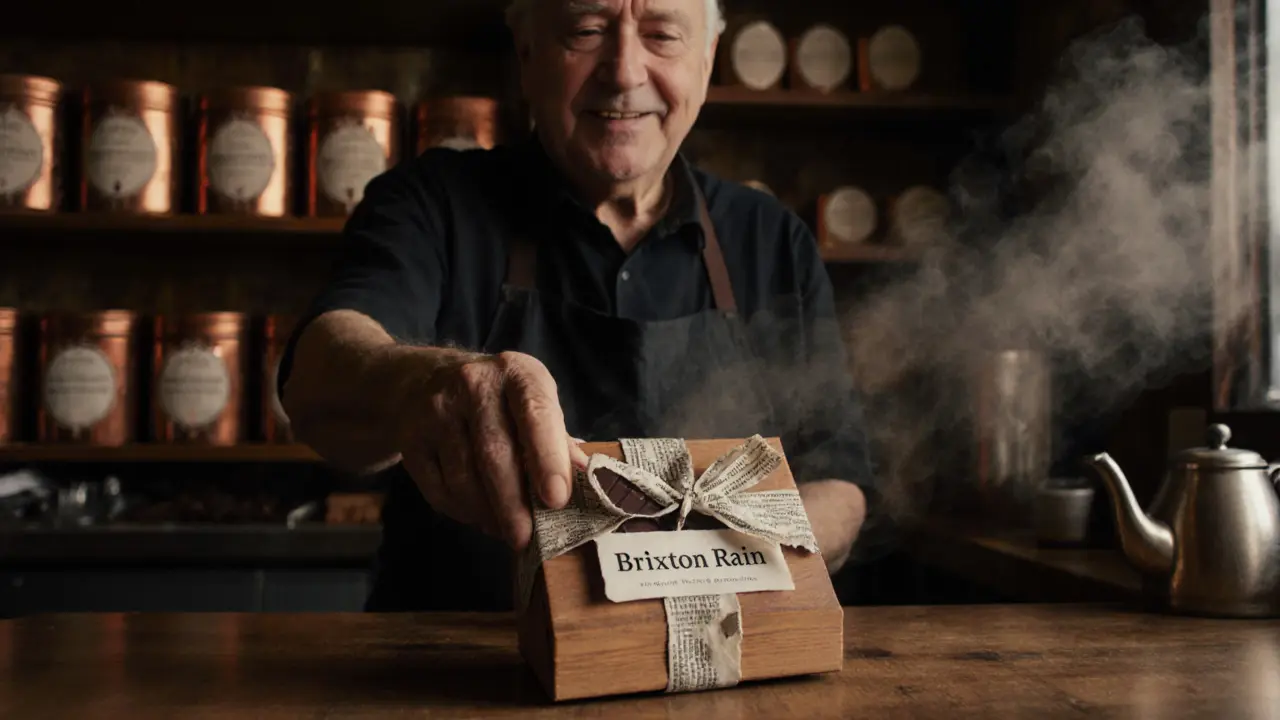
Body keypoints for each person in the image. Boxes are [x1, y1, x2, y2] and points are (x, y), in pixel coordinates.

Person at [278, 0, 877, 612]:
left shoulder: (772, 241)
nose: (624, 71)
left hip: (719, 677)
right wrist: (423, 385)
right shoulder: (430, 204)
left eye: (662, 35)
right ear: (527, 52)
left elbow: (840, 484)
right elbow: (320, 370)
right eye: (586, 31)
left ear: (706, 60)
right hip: (453, 678)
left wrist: (691, 568)